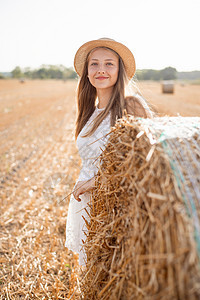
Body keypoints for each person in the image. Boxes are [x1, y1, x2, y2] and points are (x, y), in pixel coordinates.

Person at [65, 38, 153, 267]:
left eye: (109, 64)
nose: (101, 70)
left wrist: (97, 181)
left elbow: (149, 160)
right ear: (86, 72)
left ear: (119, 70)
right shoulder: (89, 112)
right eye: (94, 64)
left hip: (118, 206)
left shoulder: (130, 105)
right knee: (94, 273)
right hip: (88, 206)